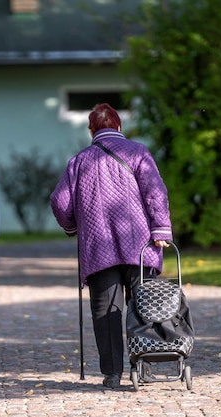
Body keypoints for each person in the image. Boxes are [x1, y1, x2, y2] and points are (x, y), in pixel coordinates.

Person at [50, 103, 173, 389]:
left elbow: (59, 201)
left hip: (98, 246)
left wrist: (72, 226)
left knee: (106, 310)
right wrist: (160, 230)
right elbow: (156, 191)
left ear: (91, 130)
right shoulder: (138, 152)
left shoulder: (78, 162)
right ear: (118, 127)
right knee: (143, 305)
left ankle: (112, 374)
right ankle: (141, 366)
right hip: (139, 243)